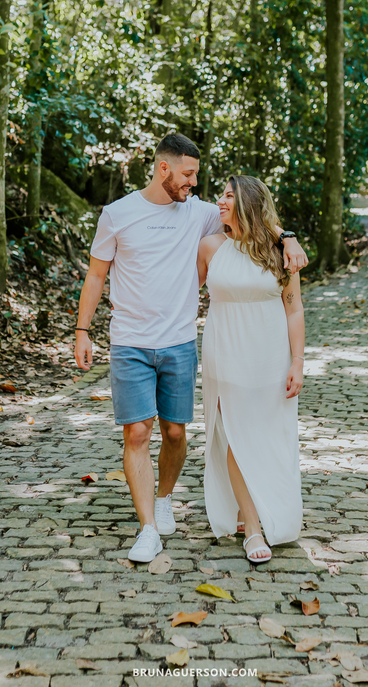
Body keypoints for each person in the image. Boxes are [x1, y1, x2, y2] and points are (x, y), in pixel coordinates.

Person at [73, 134, 307, 563]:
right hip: (130, 340)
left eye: (197, 176)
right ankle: (148, 528)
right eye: (187, 174)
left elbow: (253, 218)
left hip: (180, 341)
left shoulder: (200, 214)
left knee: (175, 433)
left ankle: (164, 498)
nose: (194, 184)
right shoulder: (117, 214)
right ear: (164, 169)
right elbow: (95, 276)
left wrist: (287, 236)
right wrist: (82, 329)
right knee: (138, 431)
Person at [197, 175, 305, 563]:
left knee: (269, 435)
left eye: (229, 196)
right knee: (235, 435)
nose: (220, 202)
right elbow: (185, 294)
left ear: (247, 204)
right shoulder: (210, 247)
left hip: (271, 353)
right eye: (221, 195)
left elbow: (293, 309)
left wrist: (297, 361)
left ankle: (252, 507)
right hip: (224, 352)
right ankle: (254, 529)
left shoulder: (280, 252)